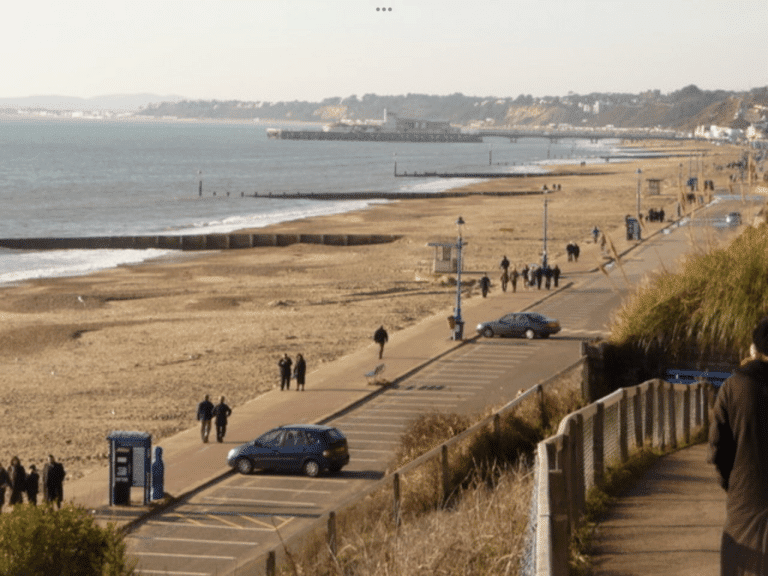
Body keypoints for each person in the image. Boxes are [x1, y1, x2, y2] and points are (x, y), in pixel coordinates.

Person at [709, 316, 768, 575]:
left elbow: (718, 447)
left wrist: (731, 484)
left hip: (746, 501)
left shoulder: (734, 387)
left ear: (754, 349)